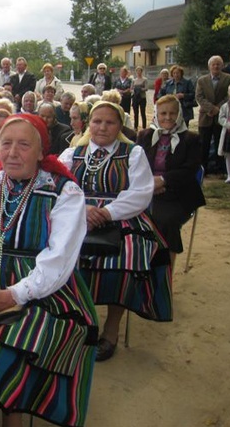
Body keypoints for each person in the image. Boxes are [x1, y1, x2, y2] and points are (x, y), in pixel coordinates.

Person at [0, 113, 97, 427]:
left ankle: (11, 421)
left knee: (7, 353)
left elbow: (58, 260)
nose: (12, 152)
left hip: (45, 294)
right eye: (6, 143)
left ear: (41, 152)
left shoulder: (64, 192)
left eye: (23, 145)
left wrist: (14, 295)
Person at [59, 101, 172, 362]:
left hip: (122, 217)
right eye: (97, 121)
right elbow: (59, 186)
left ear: (120, 126)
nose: (102, 127)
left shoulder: (133, 153)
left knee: (127, 256)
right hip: (78, 215)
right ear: (89, 124)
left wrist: (107, 213)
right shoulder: (72, 153)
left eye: (109, 122)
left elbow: (141, 193)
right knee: (57, 251)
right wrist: (83, 208)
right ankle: (76, 322)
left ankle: (111, 330)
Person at [137, 95, 206, 265]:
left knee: (165, 220)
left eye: (172, 113)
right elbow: (135, 165)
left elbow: (190, 170)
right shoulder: (145, 135)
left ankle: (165, 272)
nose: (168, 117)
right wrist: (150, 184)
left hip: (178, 193)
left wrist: (163, 180)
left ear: (179, 114)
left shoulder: (191, 139)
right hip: (147, 190)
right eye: (163, 113)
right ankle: (140, 265)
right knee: (130, 217)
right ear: (156, 114)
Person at [195, 55, 230, 173]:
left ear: (222, 65)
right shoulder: (202, 80)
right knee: (203, 144)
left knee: (220, 144)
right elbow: (199, 97)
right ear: (209, 66)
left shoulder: (229, 78)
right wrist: (211, 108)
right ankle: (203, 169)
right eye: (213, 64)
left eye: (218, 64)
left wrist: (218, 108)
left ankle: (220, 168)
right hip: (205, 116)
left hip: (221, 116)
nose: (216, 66)